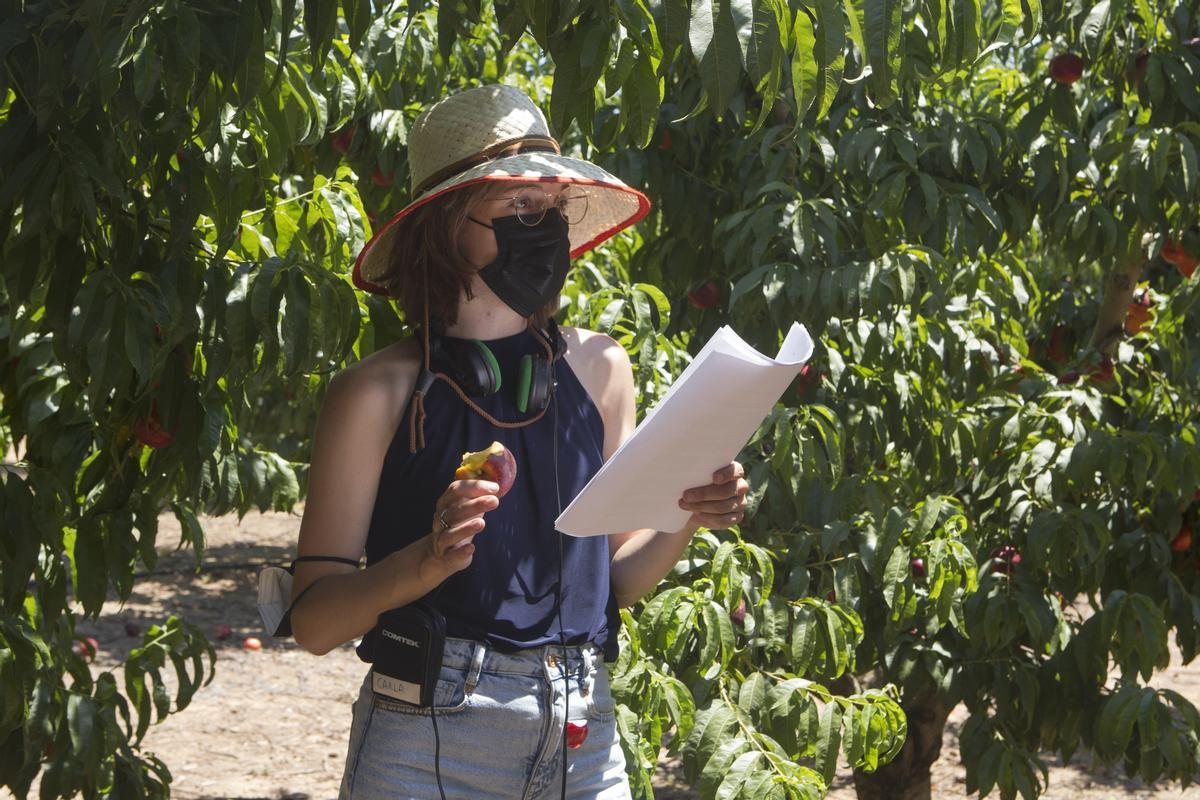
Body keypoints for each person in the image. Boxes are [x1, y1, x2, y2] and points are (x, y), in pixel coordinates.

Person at [286, 84, 750, 800]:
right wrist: (426, 562)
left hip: (582, 734)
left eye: (553, 211)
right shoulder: (375, 394)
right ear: (446, 224)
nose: (546, 231)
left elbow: (619, 580)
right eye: (520, 209)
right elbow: (314, 622)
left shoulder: (601, 371)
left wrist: (688, 507)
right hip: (428, 737)